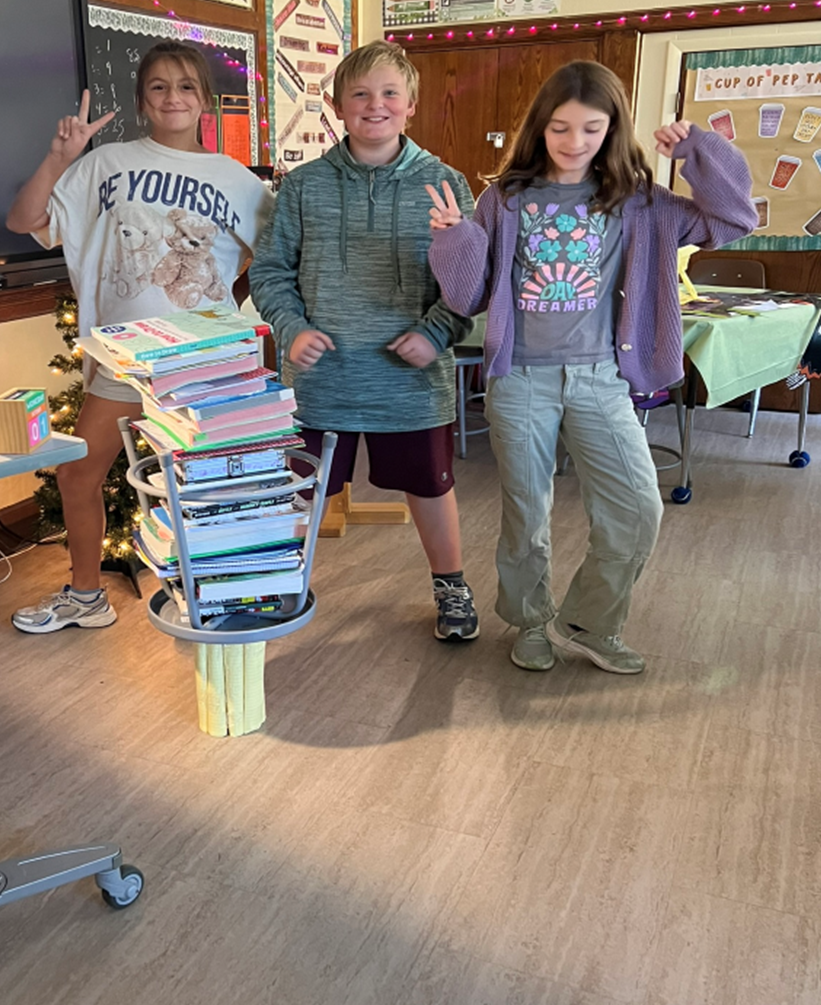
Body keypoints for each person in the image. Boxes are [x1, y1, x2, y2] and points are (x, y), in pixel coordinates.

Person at [426, 60, 757, 674]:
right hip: (520, 379)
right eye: (559, 128)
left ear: (612, 130)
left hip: (602, 378)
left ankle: (586, 623)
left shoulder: (640, 202)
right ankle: (529, 621)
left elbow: (733, 219)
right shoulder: (505, 199)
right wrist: (453, 240)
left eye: (590, 129)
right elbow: (468, 298)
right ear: (539, 127)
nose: (573, 142)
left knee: (637, 507)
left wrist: (700, 150)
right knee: (526, 514)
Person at [5, 42, 273, 634]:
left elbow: (278, 258)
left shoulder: (237, 180)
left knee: (207, 485)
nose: (172, 97)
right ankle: (85, 595)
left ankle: (220, 599)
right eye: (158, 86)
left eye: (185, 86)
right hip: (124, 360)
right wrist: (58, 157)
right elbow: (23, 221)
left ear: (205, 99)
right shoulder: (105, 164)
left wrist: (230, 305)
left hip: (201, 364)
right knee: (77, 472)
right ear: (140, 101)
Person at [250, 40, 479, 642]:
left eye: (389, 93)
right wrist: (292, 329)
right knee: (300, 491)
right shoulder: (303, 187)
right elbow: (269, 272)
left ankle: (451, 587)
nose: (375, 105)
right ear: (336, 105)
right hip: (321, 383)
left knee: (430, 488)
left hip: (412, 384)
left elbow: (470, 281)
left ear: (411, 105)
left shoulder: (446, 183)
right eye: (360, 94)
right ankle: (278, 584)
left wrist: (435, 333)